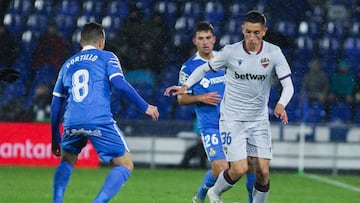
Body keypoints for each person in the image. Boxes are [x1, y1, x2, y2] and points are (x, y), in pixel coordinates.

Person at [165, 10, 294, 203]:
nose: (252, 37)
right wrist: (189, 89)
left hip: (257, 120)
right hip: (225, 121)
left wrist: (281, 104)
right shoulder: (224, 55)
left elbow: (288, 85)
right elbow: (196, 79)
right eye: (248, 32)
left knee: (261, 171)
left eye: (256, 33)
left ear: (264, 32)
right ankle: (206, 194)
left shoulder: (272, 53)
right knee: (229, 169)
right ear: (242, 30)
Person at [50, 22, 159, 203]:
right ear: (101, 41)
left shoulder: (67, 64)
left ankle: (57, 201)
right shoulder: (107, 57)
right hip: (97, 119)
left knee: (67, 159)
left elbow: (56, 103)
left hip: (72, 121)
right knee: (125, 165)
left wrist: (55, 138)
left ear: (80, 42)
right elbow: (119, 84)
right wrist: (145, 106)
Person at [165, 21, 255, 203]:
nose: (205, 42)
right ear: (194, 41)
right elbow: (181, 99)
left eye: (208, 38)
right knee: (220, 169)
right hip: (210, 125)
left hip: (233, 123)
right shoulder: (189, 67)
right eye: (201, 38)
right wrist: (200, 98)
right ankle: (203, 196)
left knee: (250, 164)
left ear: (214, 39)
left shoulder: (224, 59)